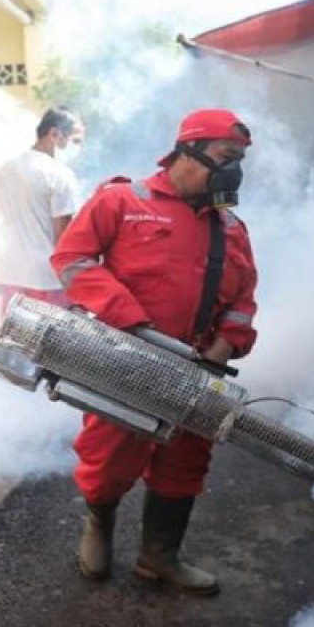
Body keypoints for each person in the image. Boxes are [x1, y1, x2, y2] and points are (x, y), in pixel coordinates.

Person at [50, 108, 259, 595]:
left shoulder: (230, 228)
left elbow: (243, 297)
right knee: (110, 454)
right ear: (187, 151)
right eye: (227, 157)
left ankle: (159, 557)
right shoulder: (122, 200)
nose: (236, 170)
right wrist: (128, 317)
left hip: (197, 367)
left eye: (241, 160)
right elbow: (71, 258)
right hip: (126, 357)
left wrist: (227, 341)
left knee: (186, 460)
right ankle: (98, 527)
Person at [0, 107, 86, 313]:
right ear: (54, 134)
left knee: (13, 341)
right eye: (75, 141)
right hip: (46, 280)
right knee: (51, 343)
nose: (78, 148)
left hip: (10, 274)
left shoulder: (7, 167)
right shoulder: (59, 174)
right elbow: (64, 238)